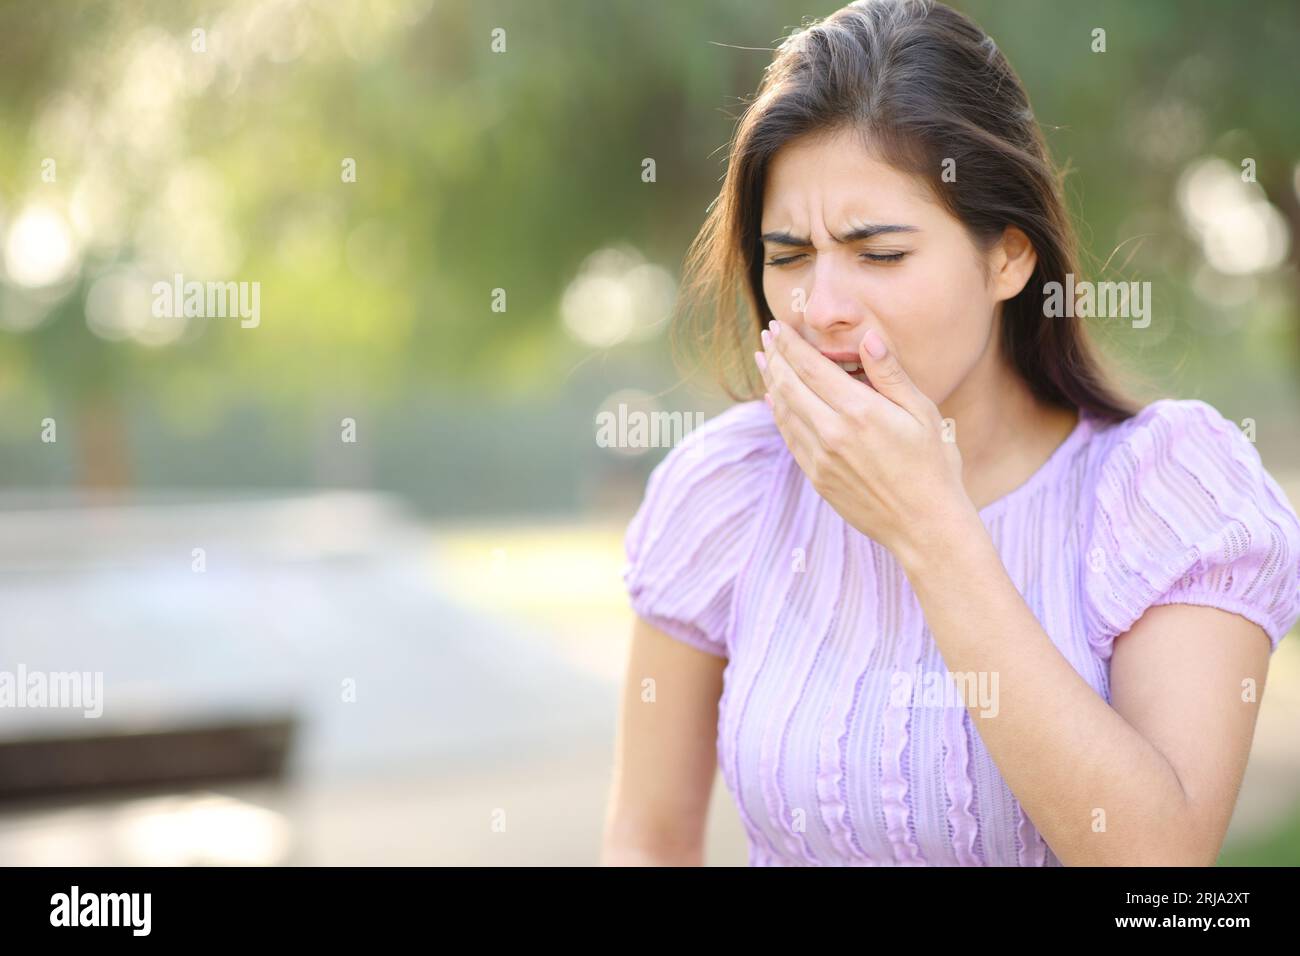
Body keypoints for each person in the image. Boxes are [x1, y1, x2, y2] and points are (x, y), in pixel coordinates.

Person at [601, 0, 1300, 866]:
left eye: (880, 253)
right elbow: (648, 839)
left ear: (1008, 256)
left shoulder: (1167, 491)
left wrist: (932, 529)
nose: (821, 308)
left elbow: (1158, 869)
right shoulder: (730, 488)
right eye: (787, 257)